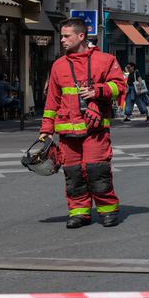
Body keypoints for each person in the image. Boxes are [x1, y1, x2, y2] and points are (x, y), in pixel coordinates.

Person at [38, 17, 126, 228]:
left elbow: (120, 87)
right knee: (73, 174)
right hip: (67, 132)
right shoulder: (58, 66)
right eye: (61, 36)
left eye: (66, 36)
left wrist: (98, 91)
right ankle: (79, 213)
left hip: (94, 129)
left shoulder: (105, 60)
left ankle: (108, 210)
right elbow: (52, 101)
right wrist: (46, 131)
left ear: (81, 36)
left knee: (97, 171)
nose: (62, 40)